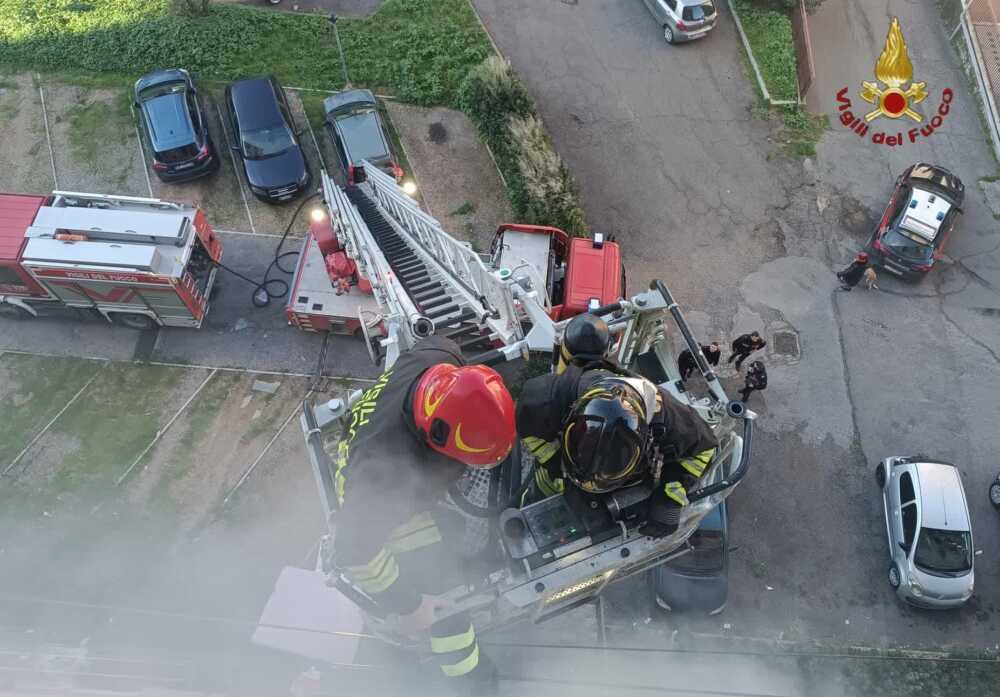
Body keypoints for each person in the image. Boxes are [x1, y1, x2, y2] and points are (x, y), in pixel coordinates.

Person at [331, 335, 516, 695]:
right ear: (437, 440)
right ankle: (471, 681)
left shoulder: (438, 356)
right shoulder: (383, 481)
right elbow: (352, 550)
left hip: (391, 464)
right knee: (443, 594)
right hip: (372, 511)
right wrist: (409, 605)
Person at [517, 361, 718, 534]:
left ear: (644, 439)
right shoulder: (545, 401)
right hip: (565, 472)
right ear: (571, 417)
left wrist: (670, 493)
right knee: (538, 495)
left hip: (628, 484)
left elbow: (705, 449)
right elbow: (529, 432)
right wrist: (555, 466)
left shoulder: (676, 422)